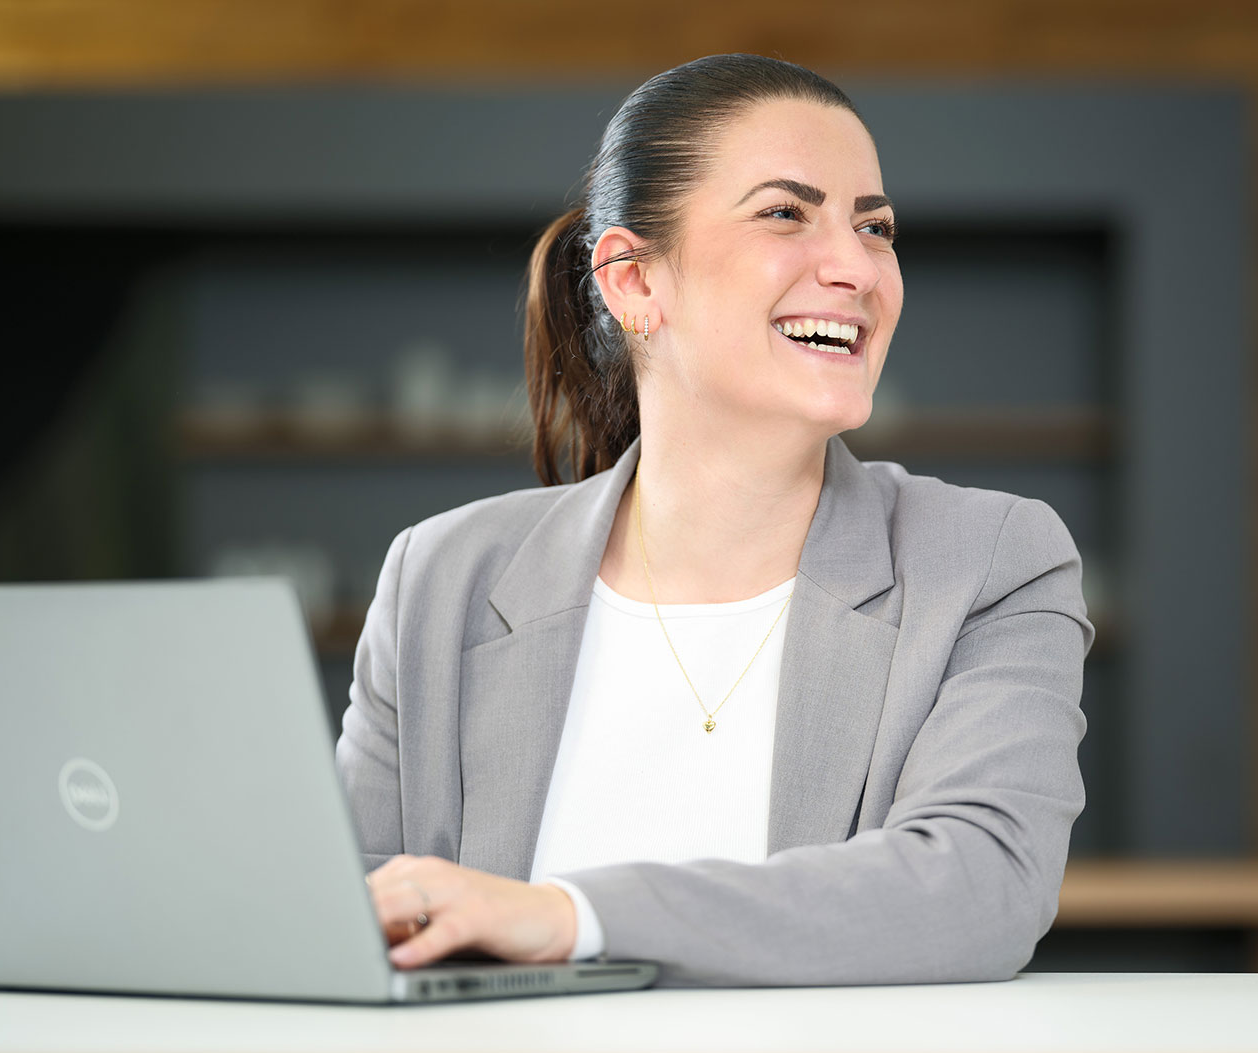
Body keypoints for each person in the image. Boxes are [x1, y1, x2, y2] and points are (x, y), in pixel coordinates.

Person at [336, 53, 1093, 989]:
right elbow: (348, 914)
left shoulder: (990, 561)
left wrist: (570, 917)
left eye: (876, 227)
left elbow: (981, 889)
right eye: (785, 213)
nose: (857, 268)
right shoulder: (441, 575)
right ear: (632, 282)